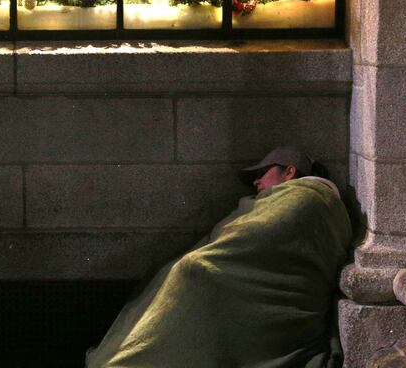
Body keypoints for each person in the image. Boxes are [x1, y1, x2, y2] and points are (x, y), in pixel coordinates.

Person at [86, 147, 352, 368]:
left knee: (188, 272)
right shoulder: (290, 199)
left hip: (266, 296)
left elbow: (262, 234)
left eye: (262, 174)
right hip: (244, 279)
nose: (257, 183)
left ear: (290, 172)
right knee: (172, 271)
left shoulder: (308, 198)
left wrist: (206, 262)